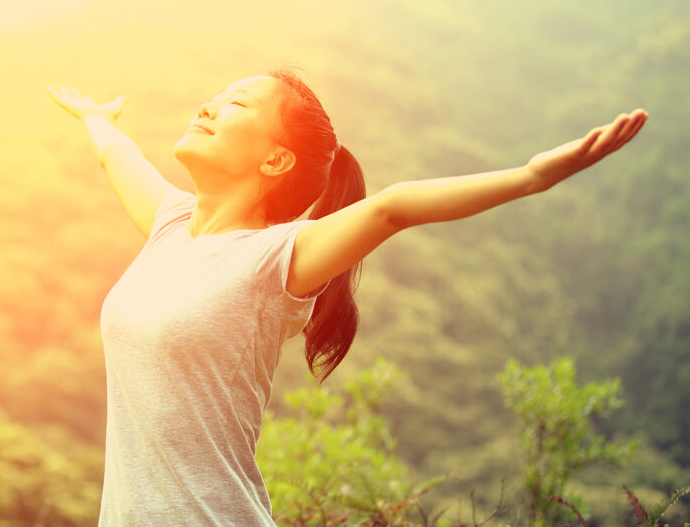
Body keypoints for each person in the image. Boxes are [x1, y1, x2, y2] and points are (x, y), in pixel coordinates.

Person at [46, 70, 647, 526]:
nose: (208, 105)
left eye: (236, 104)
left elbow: (393, 208)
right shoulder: (169, 224)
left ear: (276, 158)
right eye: (217, 94)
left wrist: (533, 177)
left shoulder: (275, 259)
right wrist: (95, 117)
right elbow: (116, 153)